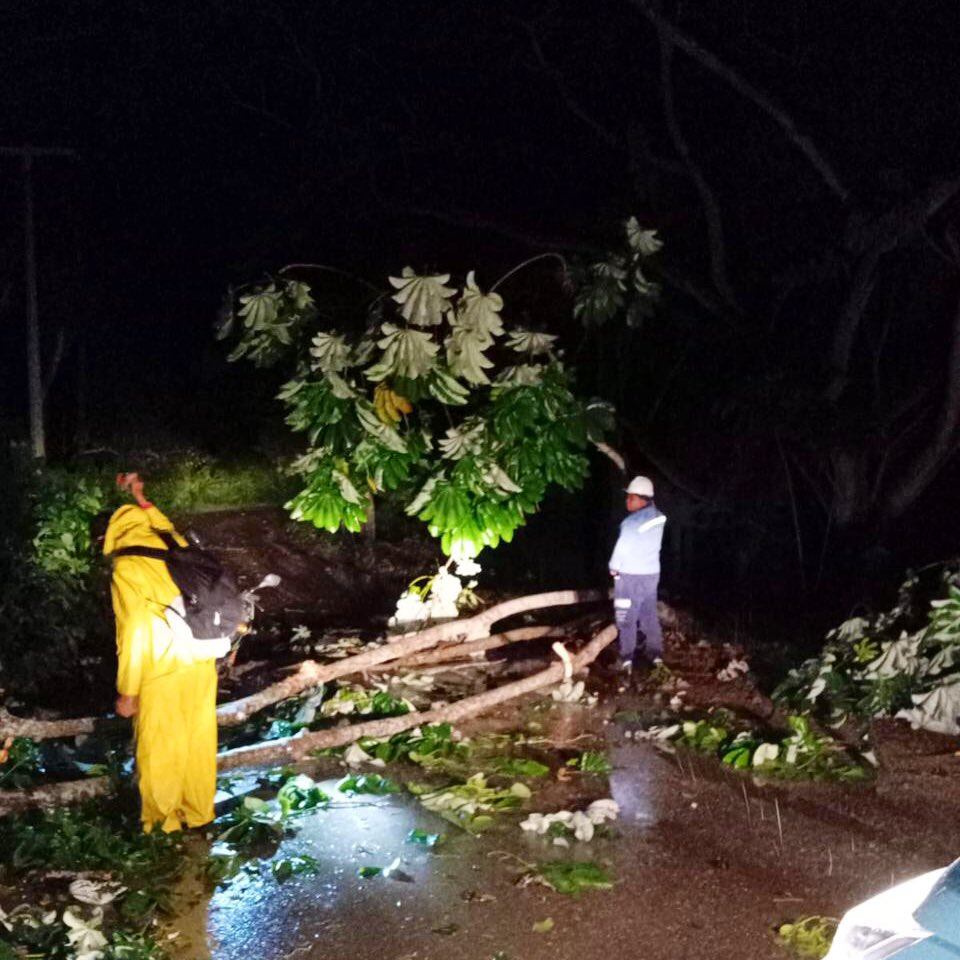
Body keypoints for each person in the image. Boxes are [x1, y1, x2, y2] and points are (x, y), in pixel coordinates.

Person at [104, 472, 229, 833]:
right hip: (201, 659)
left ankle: (163, 825)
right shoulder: (175, 546)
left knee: (161, 749)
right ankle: (199, 813)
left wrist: (128, 690)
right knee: (197, 740)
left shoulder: (127, 568)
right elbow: (162, 523)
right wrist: (141, 497)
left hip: (162, 667)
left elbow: (133, 631)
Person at [609, 475, 666, 674]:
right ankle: (656, 656)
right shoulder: (658, 517)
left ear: (642, 499)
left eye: (631, 497)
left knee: (626, 617)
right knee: (649, 615)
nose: (627, 501)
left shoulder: (630, 523)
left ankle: (626, 660)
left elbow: (621, 549)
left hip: (629, 576)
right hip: (651, 575)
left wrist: (613, 568)